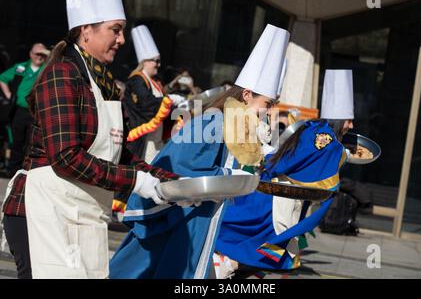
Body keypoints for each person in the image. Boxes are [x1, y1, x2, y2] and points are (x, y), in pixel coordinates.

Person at [1, 0, 179, 279]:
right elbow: (67, 157)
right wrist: (136, 181)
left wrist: (175, 183)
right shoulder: (62, 75)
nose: (121, 40)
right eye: (115, 29)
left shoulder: (105, 83)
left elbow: (118, 155)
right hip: (42, 212)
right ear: (86, 31)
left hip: (82, 212)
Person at [109, 24, 290, 279]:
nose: (268, 112)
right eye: (267, 104)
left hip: (207, 216)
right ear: (247, 95)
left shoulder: (240, 126)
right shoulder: (215, 122)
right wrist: (234, 175)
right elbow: (184, 167)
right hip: (186, 217)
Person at [213, 69, 355, 278]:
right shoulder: (326, 138)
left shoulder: (315, 127)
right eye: (349, 120)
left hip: (273, 188)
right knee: (271, 251)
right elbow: (321, 158)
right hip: (278, 198)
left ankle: (233, 266)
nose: (351, 126)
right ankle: (229, 264)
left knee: (271, 252)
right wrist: (345, 155)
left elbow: (293, 157)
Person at [124, 25, 186, 163]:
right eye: (155, 61)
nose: (158, 64)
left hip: (157, 140)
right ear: (145, 62)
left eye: (159, 61)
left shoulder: (155, 82)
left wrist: (179, 108)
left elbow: (163, 106)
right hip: (144, 141)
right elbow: (146, 104)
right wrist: (169, 100)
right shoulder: (136, 80)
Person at [0, 43, 49, 178]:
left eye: (42, 54)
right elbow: (2, 78)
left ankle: (27, 173)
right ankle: (13, 172)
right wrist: (9, 94)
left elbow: (56, 58)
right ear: (31, 54)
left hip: (36, 112)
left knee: (31, 143)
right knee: (17, 142)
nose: (39, 56)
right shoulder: (21, 67)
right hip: (20, 111)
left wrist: (46, 53)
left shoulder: (48, 68)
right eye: (36, 53)